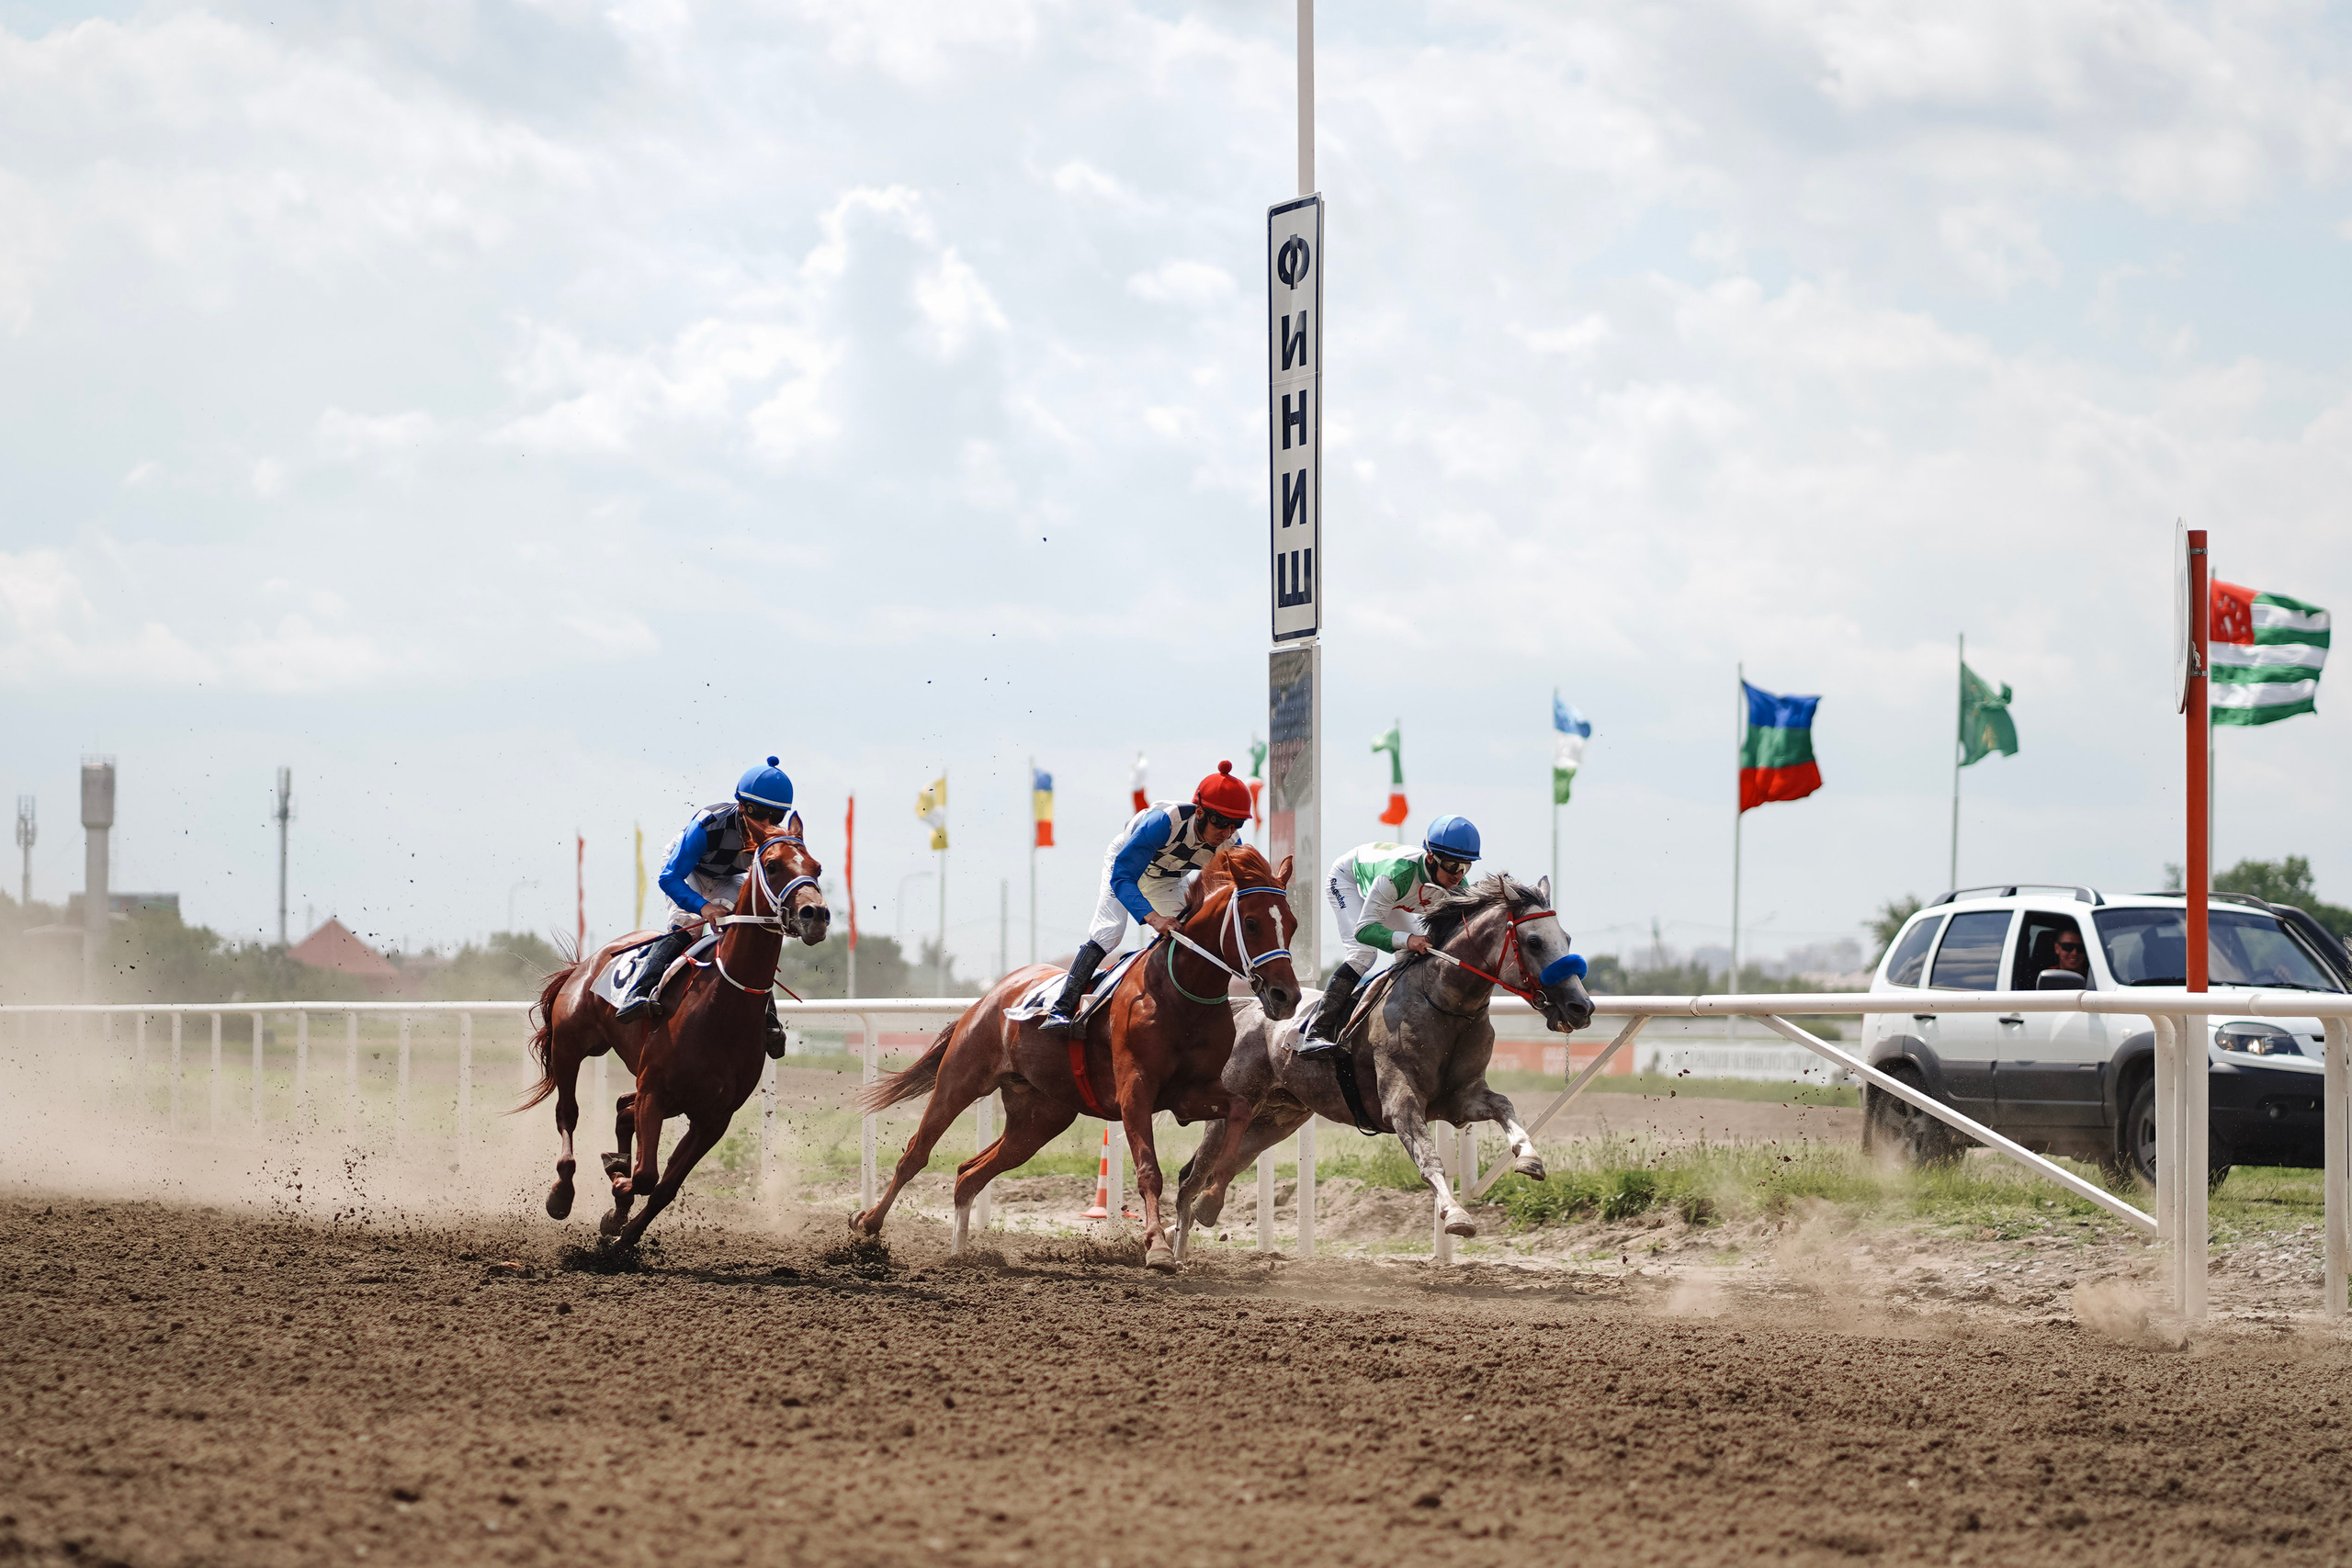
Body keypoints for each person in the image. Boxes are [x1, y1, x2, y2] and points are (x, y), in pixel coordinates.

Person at [1038, 761, 1256, 1039]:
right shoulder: (1163, 822)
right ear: (1200, 812)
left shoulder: (1230, 844)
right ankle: (1063, 1008)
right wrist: (1153, 918)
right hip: (1126, 867)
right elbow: (1123, 877)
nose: (1226, 832)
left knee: (1190, 936)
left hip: (1166, 879)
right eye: (1221, 822)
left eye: (1235, 824)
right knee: (1110, 931)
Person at [615, 757, 797, 1056]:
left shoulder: (774, 841)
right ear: (742, 806)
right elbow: (669, 878)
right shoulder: (707, 825)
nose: (766, 825)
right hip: (687, 869)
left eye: (775, 817)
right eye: (760, 815)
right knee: (689, 927)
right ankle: (639, 992)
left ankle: (769, 1019)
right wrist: (703, 908)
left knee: (744, 937)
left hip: (730, 875)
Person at [1293, 816, 1481, 1058]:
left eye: (1466, 867)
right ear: (1431, 857)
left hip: (1394, 897)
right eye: (1453, 866)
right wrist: (1408, 939)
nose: (1458, 875)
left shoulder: (1458, 885)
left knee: (1410, 955)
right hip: (1350, 878)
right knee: (1363, 953)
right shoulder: (1397, 876)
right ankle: (1315, 1032)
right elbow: (1364, 930)